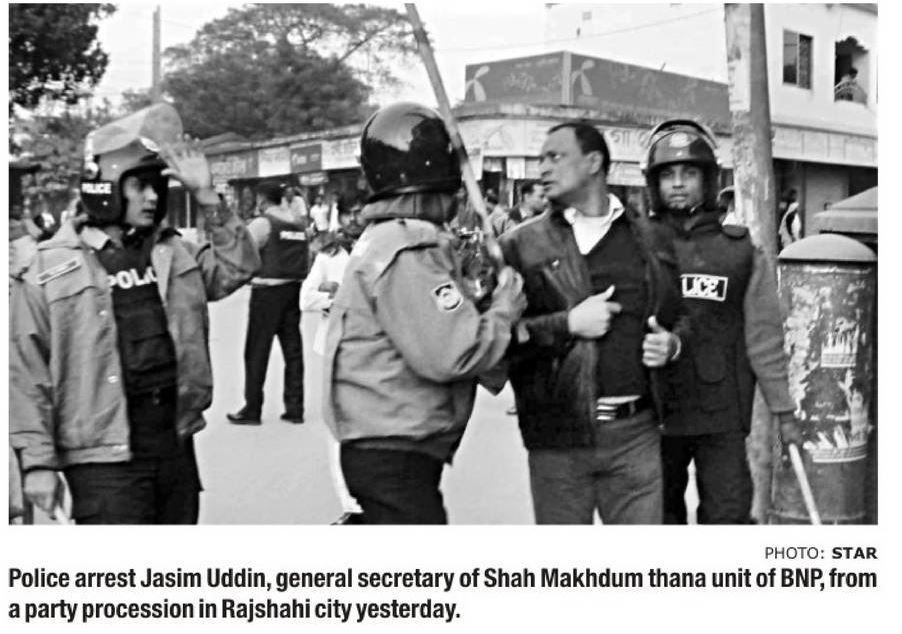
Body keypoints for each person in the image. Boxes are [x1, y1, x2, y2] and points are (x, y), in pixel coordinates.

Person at [9, 103, 260, 524]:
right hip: (102, 464)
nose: (152, 197)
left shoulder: (173, 250)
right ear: (105, 187)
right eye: (139, 186)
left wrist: (206, 196)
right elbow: (25, 372)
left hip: (173, 445)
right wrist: (37, 464)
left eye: (156, 186)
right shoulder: (46, 268)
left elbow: (239, 268)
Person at [322, 102, 526, 524]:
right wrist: (505, 310)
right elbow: (453, 352)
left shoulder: (384, 238)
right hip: (392, 452)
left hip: (384, 444)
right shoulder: (409, 248)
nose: (458, 200)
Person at [499, 121, 686, 525]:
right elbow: (498, 342)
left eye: (555, 157)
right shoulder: (520, 246)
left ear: (593, 162)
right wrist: (568, 323)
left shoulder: (651, 238)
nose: (543, 168)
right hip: (557, 438)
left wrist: (671, 345)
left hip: (636, 434)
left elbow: (683, 316)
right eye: (541, 159)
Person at [642, 118, 802, 524]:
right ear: (654, 184)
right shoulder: (635, 243)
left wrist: (784, 412)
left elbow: (764, 339)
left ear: (709, 180)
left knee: (728, 518)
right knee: (655, 522)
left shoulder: (741, 252)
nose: (678, 184)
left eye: (689, 173)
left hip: (722, 416)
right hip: (653, 414)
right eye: (668, 175)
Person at [227, 181, 313, 425]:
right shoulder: (298, 225)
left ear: (262, 200)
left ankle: (252, 410)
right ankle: (295, 409)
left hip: (267, 293)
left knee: (257, 351)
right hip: (292, 290)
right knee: (293, 352)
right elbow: (306, 258)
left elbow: (243, 251)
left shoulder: (263, 224)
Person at [299, 227, 362, 524]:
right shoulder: (329, 258)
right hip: (335, 348)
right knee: (337, 426)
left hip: (370, 349)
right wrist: (335, 300)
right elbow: (306, 299)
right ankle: (351, 505)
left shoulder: (382, 252)